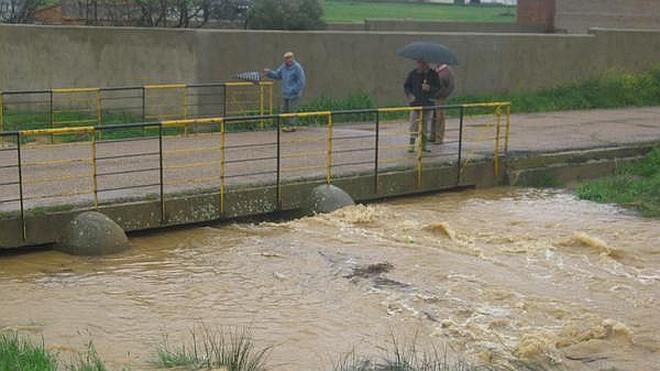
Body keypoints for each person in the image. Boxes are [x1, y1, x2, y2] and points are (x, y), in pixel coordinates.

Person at [403, 59, 441, 153]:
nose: (419, 65)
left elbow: (438, 88)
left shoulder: (433, 74)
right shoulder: (413, 74)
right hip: (415, 103)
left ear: (426, 64)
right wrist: (410, 95)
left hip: (428, 103)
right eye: (418, 63)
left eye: (421, 63)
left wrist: (430, 88)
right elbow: (406, 85)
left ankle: (424, 145)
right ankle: (412, 145)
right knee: (413, 125)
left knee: (425, 126)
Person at [263, 51, 306, 128]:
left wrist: (294, 90)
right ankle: (285, 125)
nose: (287, 60)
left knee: (292, 110)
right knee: (285, 110)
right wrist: (269, 73)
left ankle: (292, 126)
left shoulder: (297, 68)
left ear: (292, 58)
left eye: (289, 58)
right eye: (286, 59)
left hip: (294, 94)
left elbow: (301, 81)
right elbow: (277, 75)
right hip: (285, 93)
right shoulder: (283, 67)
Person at [430, 64, 455, 144]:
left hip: (440, 98)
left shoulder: (447, 71)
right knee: (433, 117)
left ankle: (439, 137)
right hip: (433, 96)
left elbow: (451, 86)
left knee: (439, 117)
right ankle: (432, 135)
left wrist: (443, 94)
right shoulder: (435, 69)